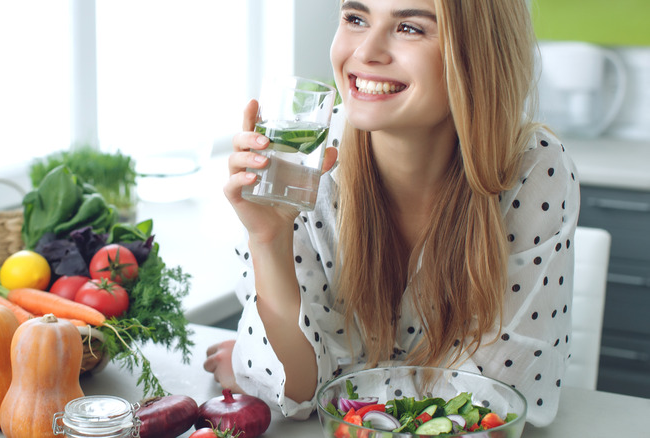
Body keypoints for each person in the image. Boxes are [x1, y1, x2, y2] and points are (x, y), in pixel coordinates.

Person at [205, 0, 580, 427]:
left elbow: (487, 406)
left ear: (477, 53)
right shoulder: (310, 163)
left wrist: (328, 376)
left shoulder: (532, 169)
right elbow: (299, 392)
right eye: (355, 19)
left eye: (410, 29)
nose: (366, 51)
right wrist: (268, 240)